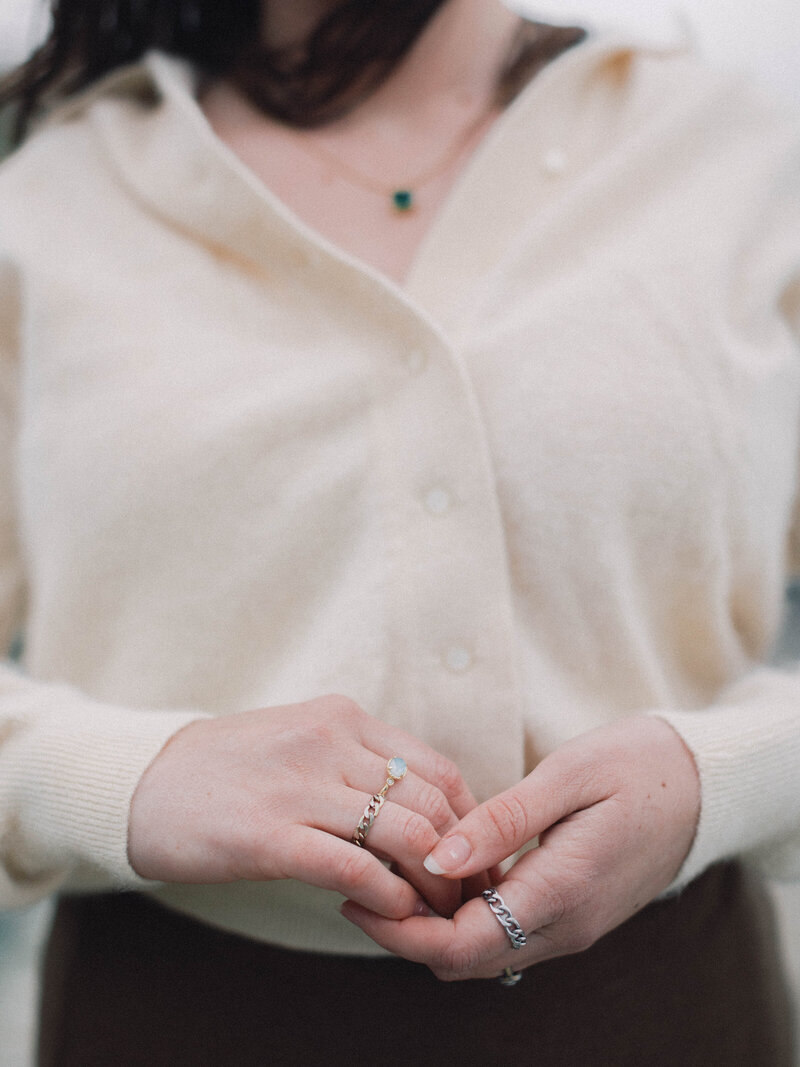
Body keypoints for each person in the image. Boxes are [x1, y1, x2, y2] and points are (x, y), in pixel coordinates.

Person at [0, 0, 798, 1063]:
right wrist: (127, 773)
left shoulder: (738, 160)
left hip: (664, 1012)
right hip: (170, 1012)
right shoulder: (47, 199)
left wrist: (723, 774)